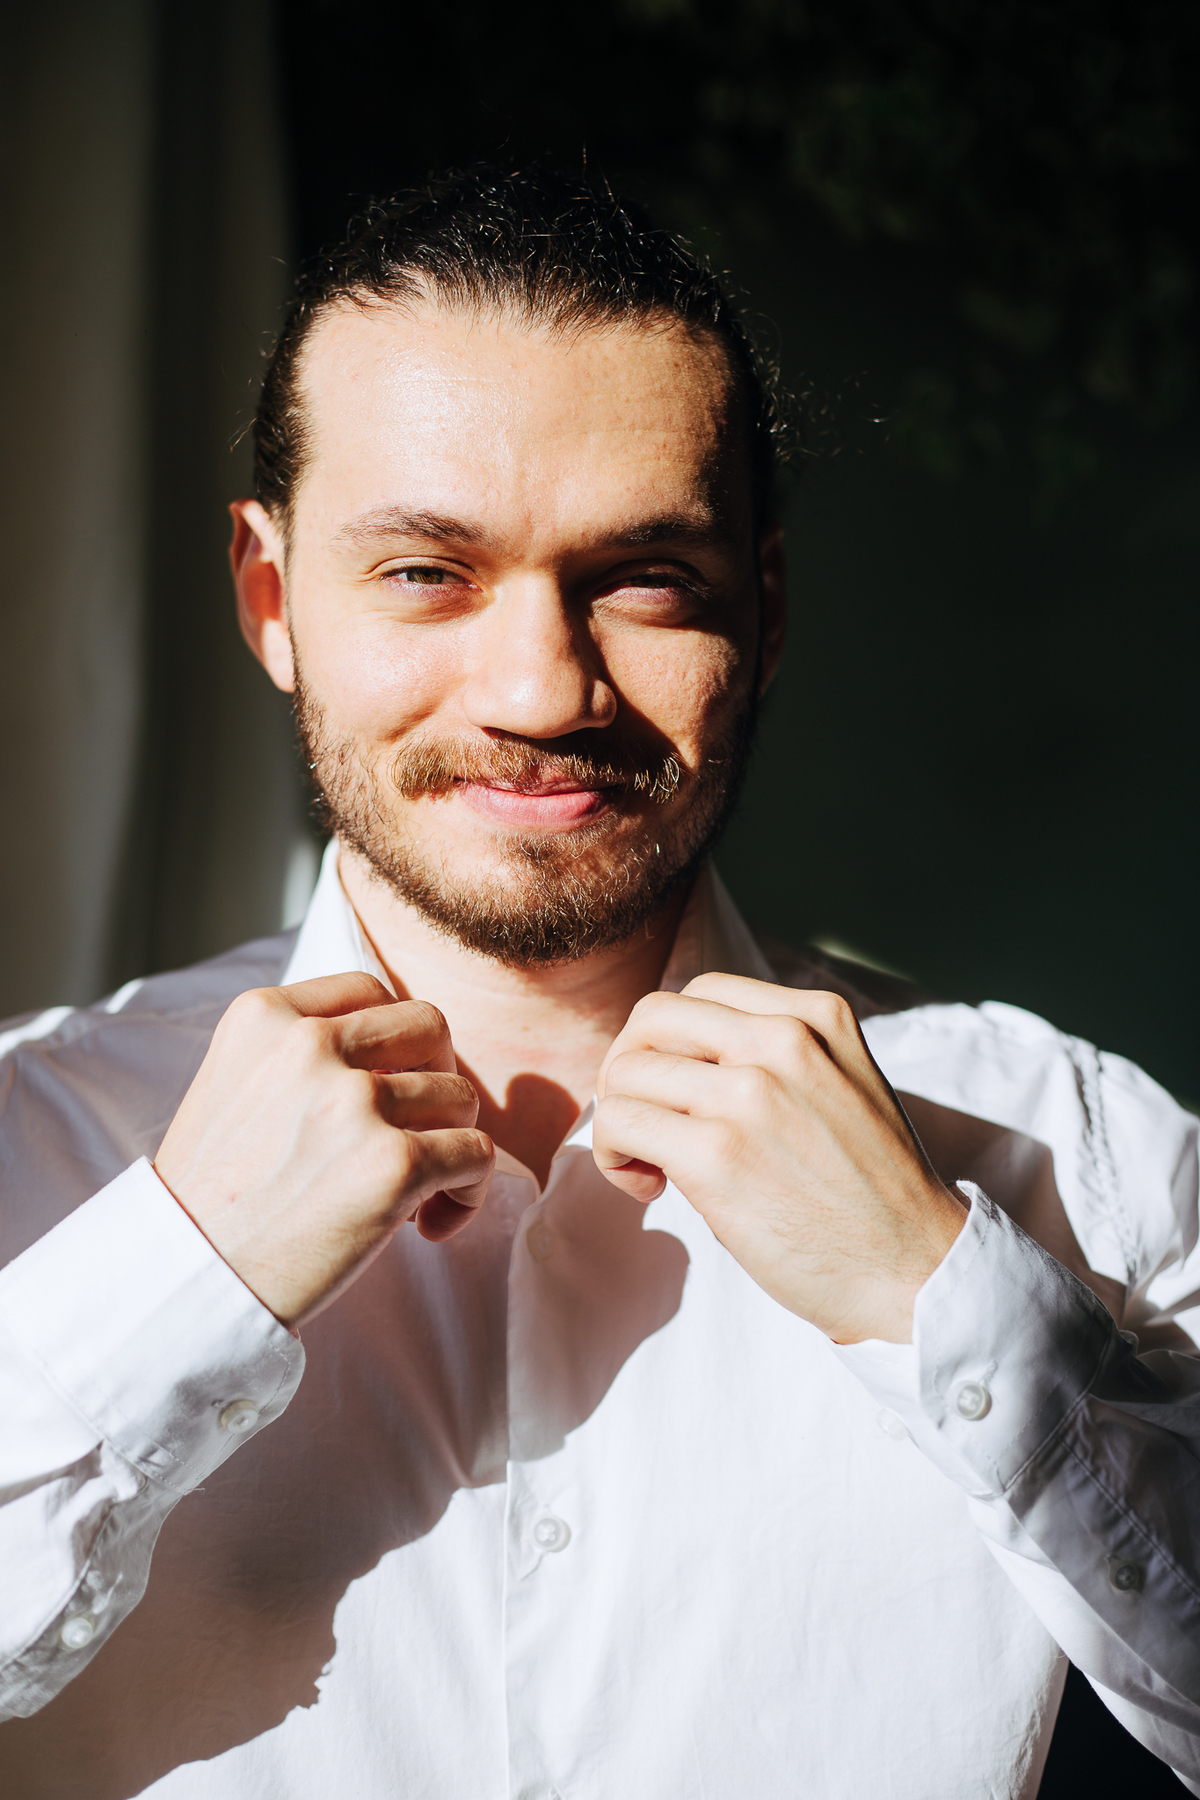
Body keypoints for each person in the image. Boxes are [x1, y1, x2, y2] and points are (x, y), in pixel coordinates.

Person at [1, 163, 1197, 1800]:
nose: (542, 689)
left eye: (643, 577)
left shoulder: (1083, 1156)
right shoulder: (30, 1141)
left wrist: (948, 1301)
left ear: (765, 606)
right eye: (425, 572)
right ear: (272, 600)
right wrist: (175, 1284)